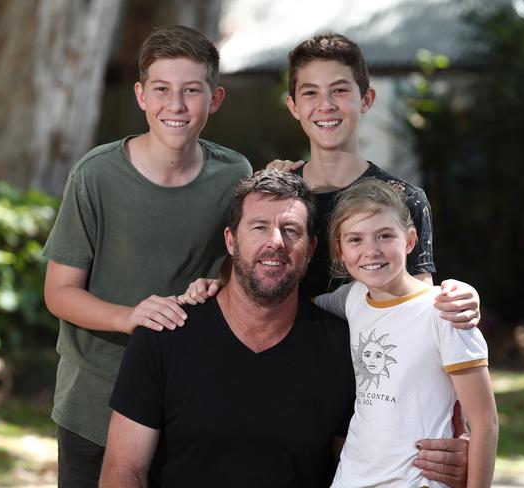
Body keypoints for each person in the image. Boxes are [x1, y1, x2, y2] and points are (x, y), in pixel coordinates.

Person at [179, 33, 478, 485]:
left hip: (373, 403)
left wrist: (462, 432)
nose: (327, 105)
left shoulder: (401, 201)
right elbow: (244, 279)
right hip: (285, 386)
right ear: (292, 105)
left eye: (340, 90)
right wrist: (210, 283)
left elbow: (420, 322)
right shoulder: (278, 196)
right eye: (310, 93)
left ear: (366, 98)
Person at [42, 25, 252, 487]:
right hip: (94, 398)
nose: (175, 106)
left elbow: (233, 264)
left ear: (214, 99)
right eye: (161, 89)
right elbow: (58, 293)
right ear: (141, 96)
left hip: (185, 397)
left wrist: (218, 281)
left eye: (191, 91)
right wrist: (128, 316)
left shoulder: (234, 174)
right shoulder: (95, 176)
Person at [99, 169, 355, 488]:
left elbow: (362, 466)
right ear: (231, 241)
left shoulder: (341, 348)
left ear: (311, 249)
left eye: (290, 230)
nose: (275, 242)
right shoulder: (163, 336)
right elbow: (124, 470)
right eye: (259, 227)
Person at [314, 178, 498, 487]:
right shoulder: (352, 297)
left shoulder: (444, 312)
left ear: (410, 241)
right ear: (340, 250)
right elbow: (288, 309)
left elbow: (485, 423)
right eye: (355, 240)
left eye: (385, 236)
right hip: (351, 479)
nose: (371, 251)